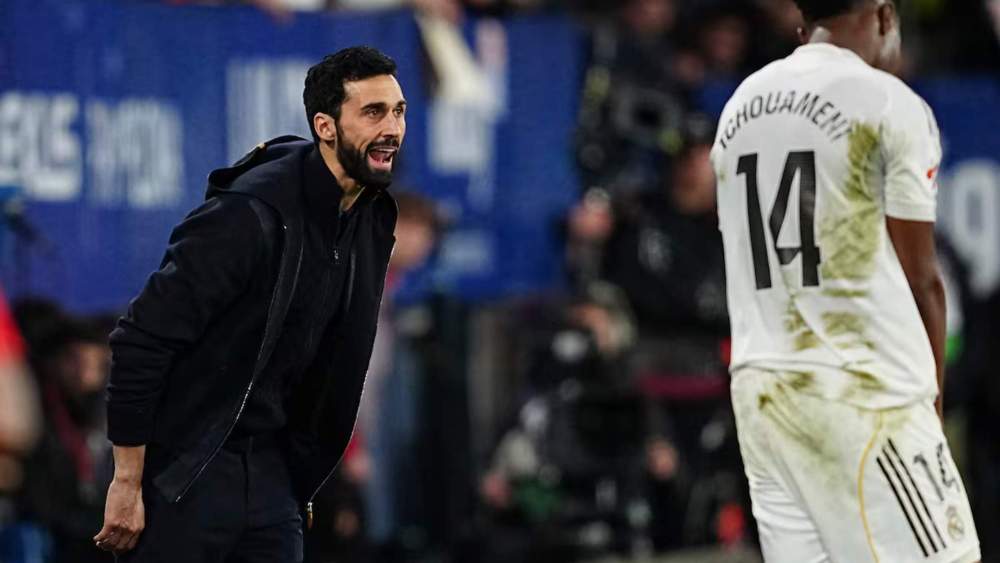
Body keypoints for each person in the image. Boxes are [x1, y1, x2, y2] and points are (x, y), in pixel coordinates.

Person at [95, 45, 406, 562]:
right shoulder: (249, 215)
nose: (392, 129)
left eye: (398, 111)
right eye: (372, 113)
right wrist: (126, 481)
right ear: (325, 126)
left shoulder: (371, 218)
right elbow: (141, 339)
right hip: (187, 469)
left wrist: (297, 478)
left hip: (271, 475)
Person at [711, 1, 981, 562]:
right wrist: (928, 403)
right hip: (862, 391)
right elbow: (922, 279)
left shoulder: (740, 105)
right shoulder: (889, 104)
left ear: (803, 25)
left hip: (761, 388)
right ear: (884, 16)